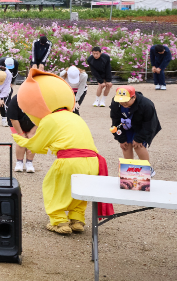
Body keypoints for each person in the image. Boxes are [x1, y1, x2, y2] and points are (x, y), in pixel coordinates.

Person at [11, 69, 113, 235]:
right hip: (93, 161)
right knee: (80, 188)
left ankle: (59, 222)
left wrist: (19, 139)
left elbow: (37, 146)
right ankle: (77, 219)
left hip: (70, 161)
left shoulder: (50, 119)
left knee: (53, 187)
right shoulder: (75, 116)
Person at [110, 86, 161, 168]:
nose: (123, 103)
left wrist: (139, 138)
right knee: (125, 146)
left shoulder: (146, 105)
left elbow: (149, 124)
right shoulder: (116, 102)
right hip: (125, 126)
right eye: (120, 101)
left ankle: (146, 169)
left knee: (138, 146)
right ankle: (128, 170)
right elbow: (115, 121)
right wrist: (121, 139)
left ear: (133, 97)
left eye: (125, 101)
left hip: (141, 126)